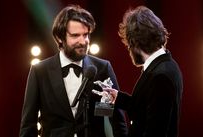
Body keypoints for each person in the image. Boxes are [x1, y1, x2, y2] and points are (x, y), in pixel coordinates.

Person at [19, 5, 127, 137]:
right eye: (75, 35)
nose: (83, 41)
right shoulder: (40, 71)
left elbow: (117, 121)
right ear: (60, 38)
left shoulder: (102, 68)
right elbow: (28, 125)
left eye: (86, 34)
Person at [103, 6, 183, 137]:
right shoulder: (166, 64)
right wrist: (119, 98)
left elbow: (155, 130)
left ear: (134, 43)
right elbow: (148, 108)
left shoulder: (160, 75)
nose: (128, 51)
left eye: (128, 45)